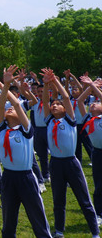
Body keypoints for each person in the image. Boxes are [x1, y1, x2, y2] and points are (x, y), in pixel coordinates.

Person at [0, 66, 51, 237]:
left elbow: (15, 103)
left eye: (13, 109)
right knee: (8, 221)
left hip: (26, 178)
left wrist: (3, 85)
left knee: (37, 219)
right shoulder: (1, 130)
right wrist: (3, 87)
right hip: (8, 177)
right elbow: (0, 107)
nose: (10, 109)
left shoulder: (25, 130)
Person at [41, 68, 99, 238]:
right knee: (58, 200)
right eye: (53, 104)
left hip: (71, 163)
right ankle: (59, 230)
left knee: (84, 199)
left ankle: (95, 232)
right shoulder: (49, 120)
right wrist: (46, 85)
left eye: (58, 105)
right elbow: (45, 101)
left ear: (66, 110)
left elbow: (66, 97)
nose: (54, 105)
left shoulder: (70, 120)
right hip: (56, 163)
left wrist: (55, 81)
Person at [79, 75, 102, 224]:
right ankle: (99, 214)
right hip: (98, 153)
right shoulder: (88, 119)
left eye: (97, 103)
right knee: (99, 184)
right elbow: (80, 100)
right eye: (92, 103)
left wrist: (93, 86)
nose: (93, 104)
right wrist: (89, 87)